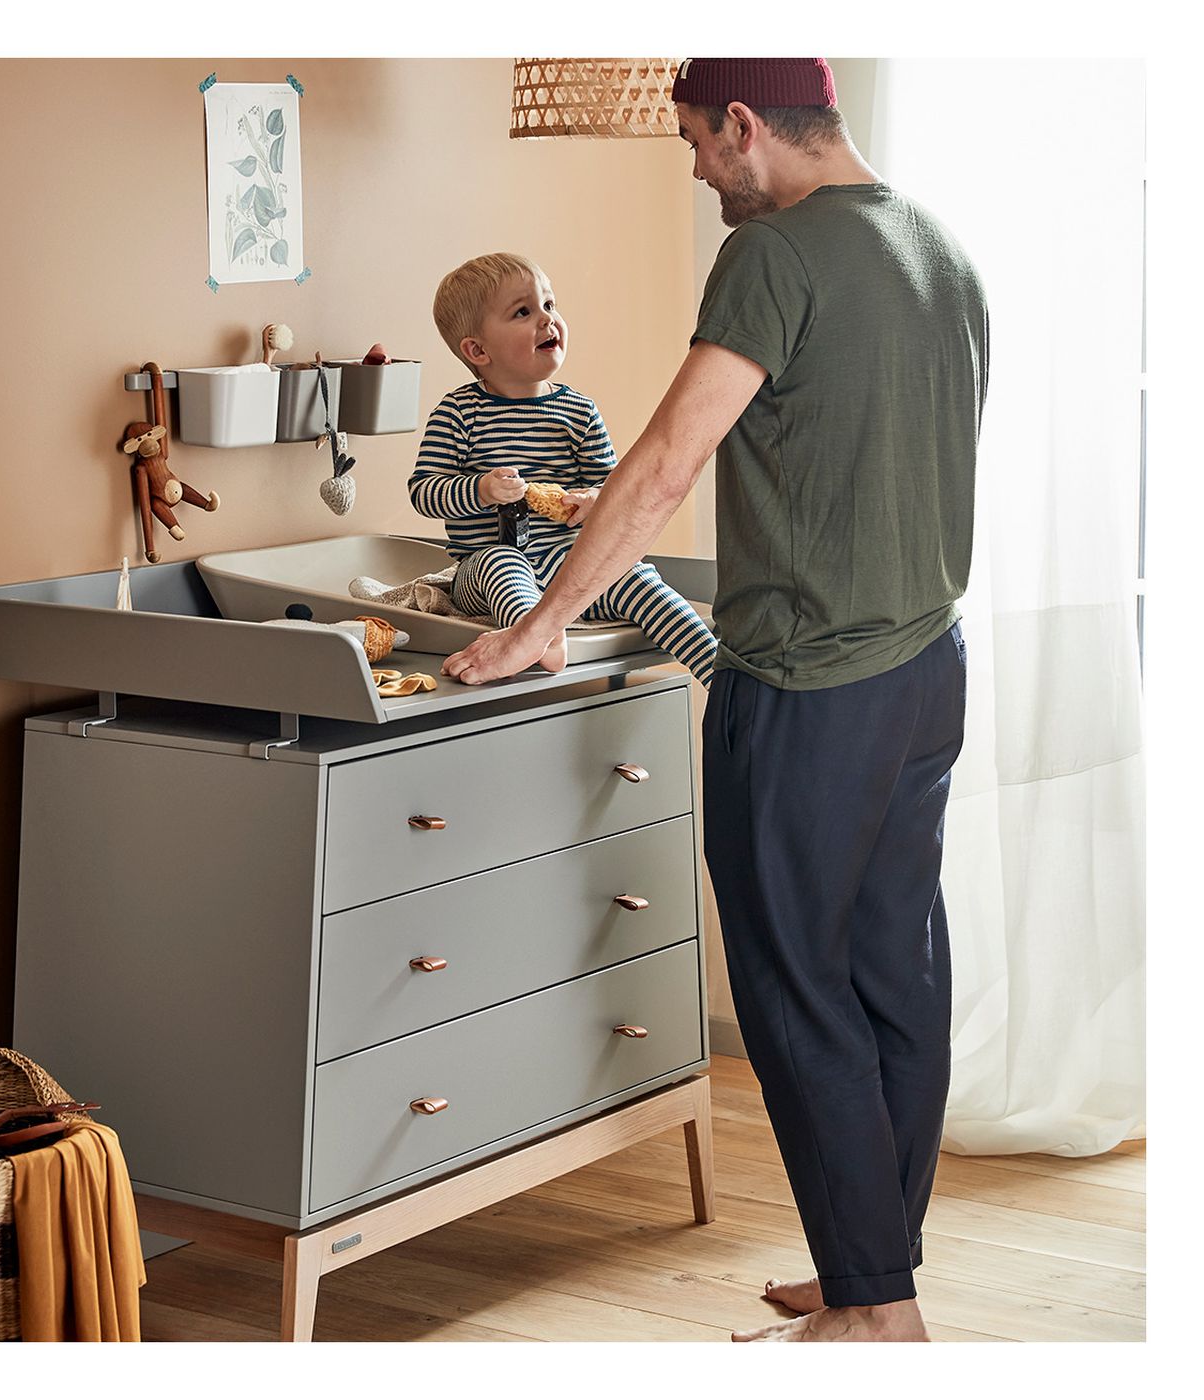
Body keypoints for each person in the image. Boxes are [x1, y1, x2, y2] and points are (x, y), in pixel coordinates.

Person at [442, 58, 988, 1344]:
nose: (694, 169)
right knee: (893, 975)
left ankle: (869, 1312)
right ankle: (876, 1269)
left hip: (808, 686)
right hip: (924, 669)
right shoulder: (936, 245)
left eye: (693, 142)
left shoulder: (775, 255)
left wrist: (541, 623)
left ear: (744, 126)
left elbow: (665, 460)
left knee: (794, 988)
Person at [410, 252, 718, 685]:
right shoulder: (459, 413)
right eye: (523, 311)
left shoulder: (578, 412)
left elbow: (613, 492)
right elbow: (424, 491)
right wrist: (479, 490)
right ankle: (540, 637)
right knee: (502, 562)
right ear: (478, 350)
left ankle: (720, 674)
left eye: (549, 305)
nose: (546, 320)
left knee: (636, 576)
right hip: (483, 568)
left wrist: (592, 500)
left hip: (572, 566)